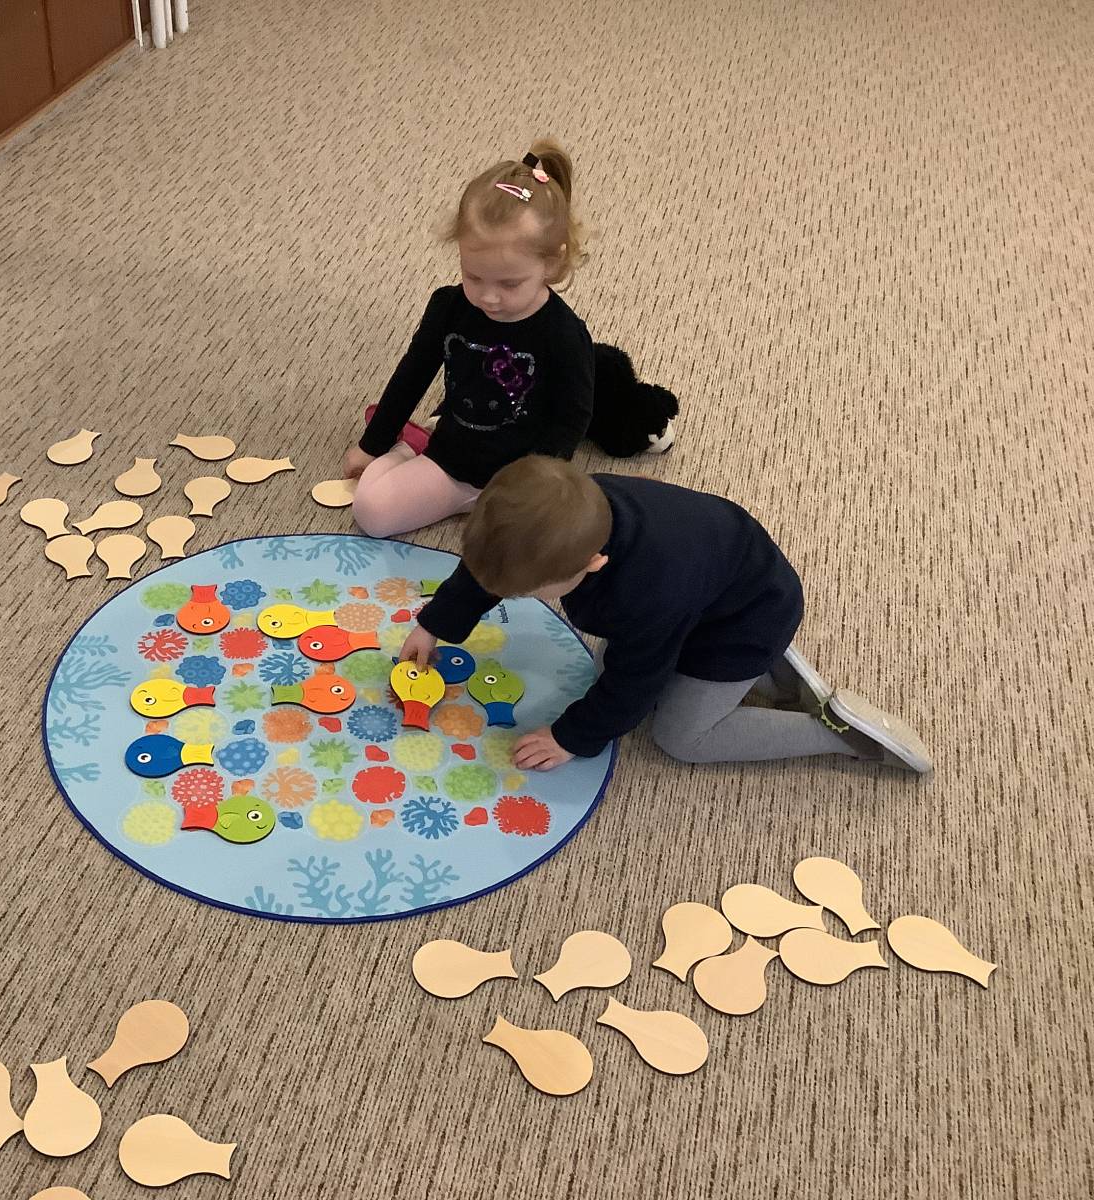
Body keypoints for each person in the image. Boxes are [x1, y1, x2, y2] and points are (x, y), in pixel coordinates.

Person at [399, 456, 933, 773]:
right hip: (723, 582)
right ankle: (775, 667)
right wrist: (435, 623)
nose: (514, 595)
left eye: (527, 591)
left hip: (739, 623)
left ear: (594, 562)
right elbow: (492, 563)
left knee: (679, 737)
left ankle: (838, 731)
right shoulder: (566, 512)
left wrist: (572, 736)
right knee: (608, 666)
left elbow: (637, 678)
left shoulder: (647, 592)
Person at [344, 139, 599, 538]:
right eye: (473, 276)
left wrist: (532, 488)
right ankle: (415, 441)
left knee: (547, 544)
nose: (488, 297)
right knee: (371, 511)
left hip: (516, 479)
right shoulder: (449, 307)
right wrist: (372, 445)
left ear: (551, 264)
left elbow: (572, 417)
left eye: (510, 283)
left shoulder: (564, 333)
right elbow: (412, 374)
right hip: (449, 462)